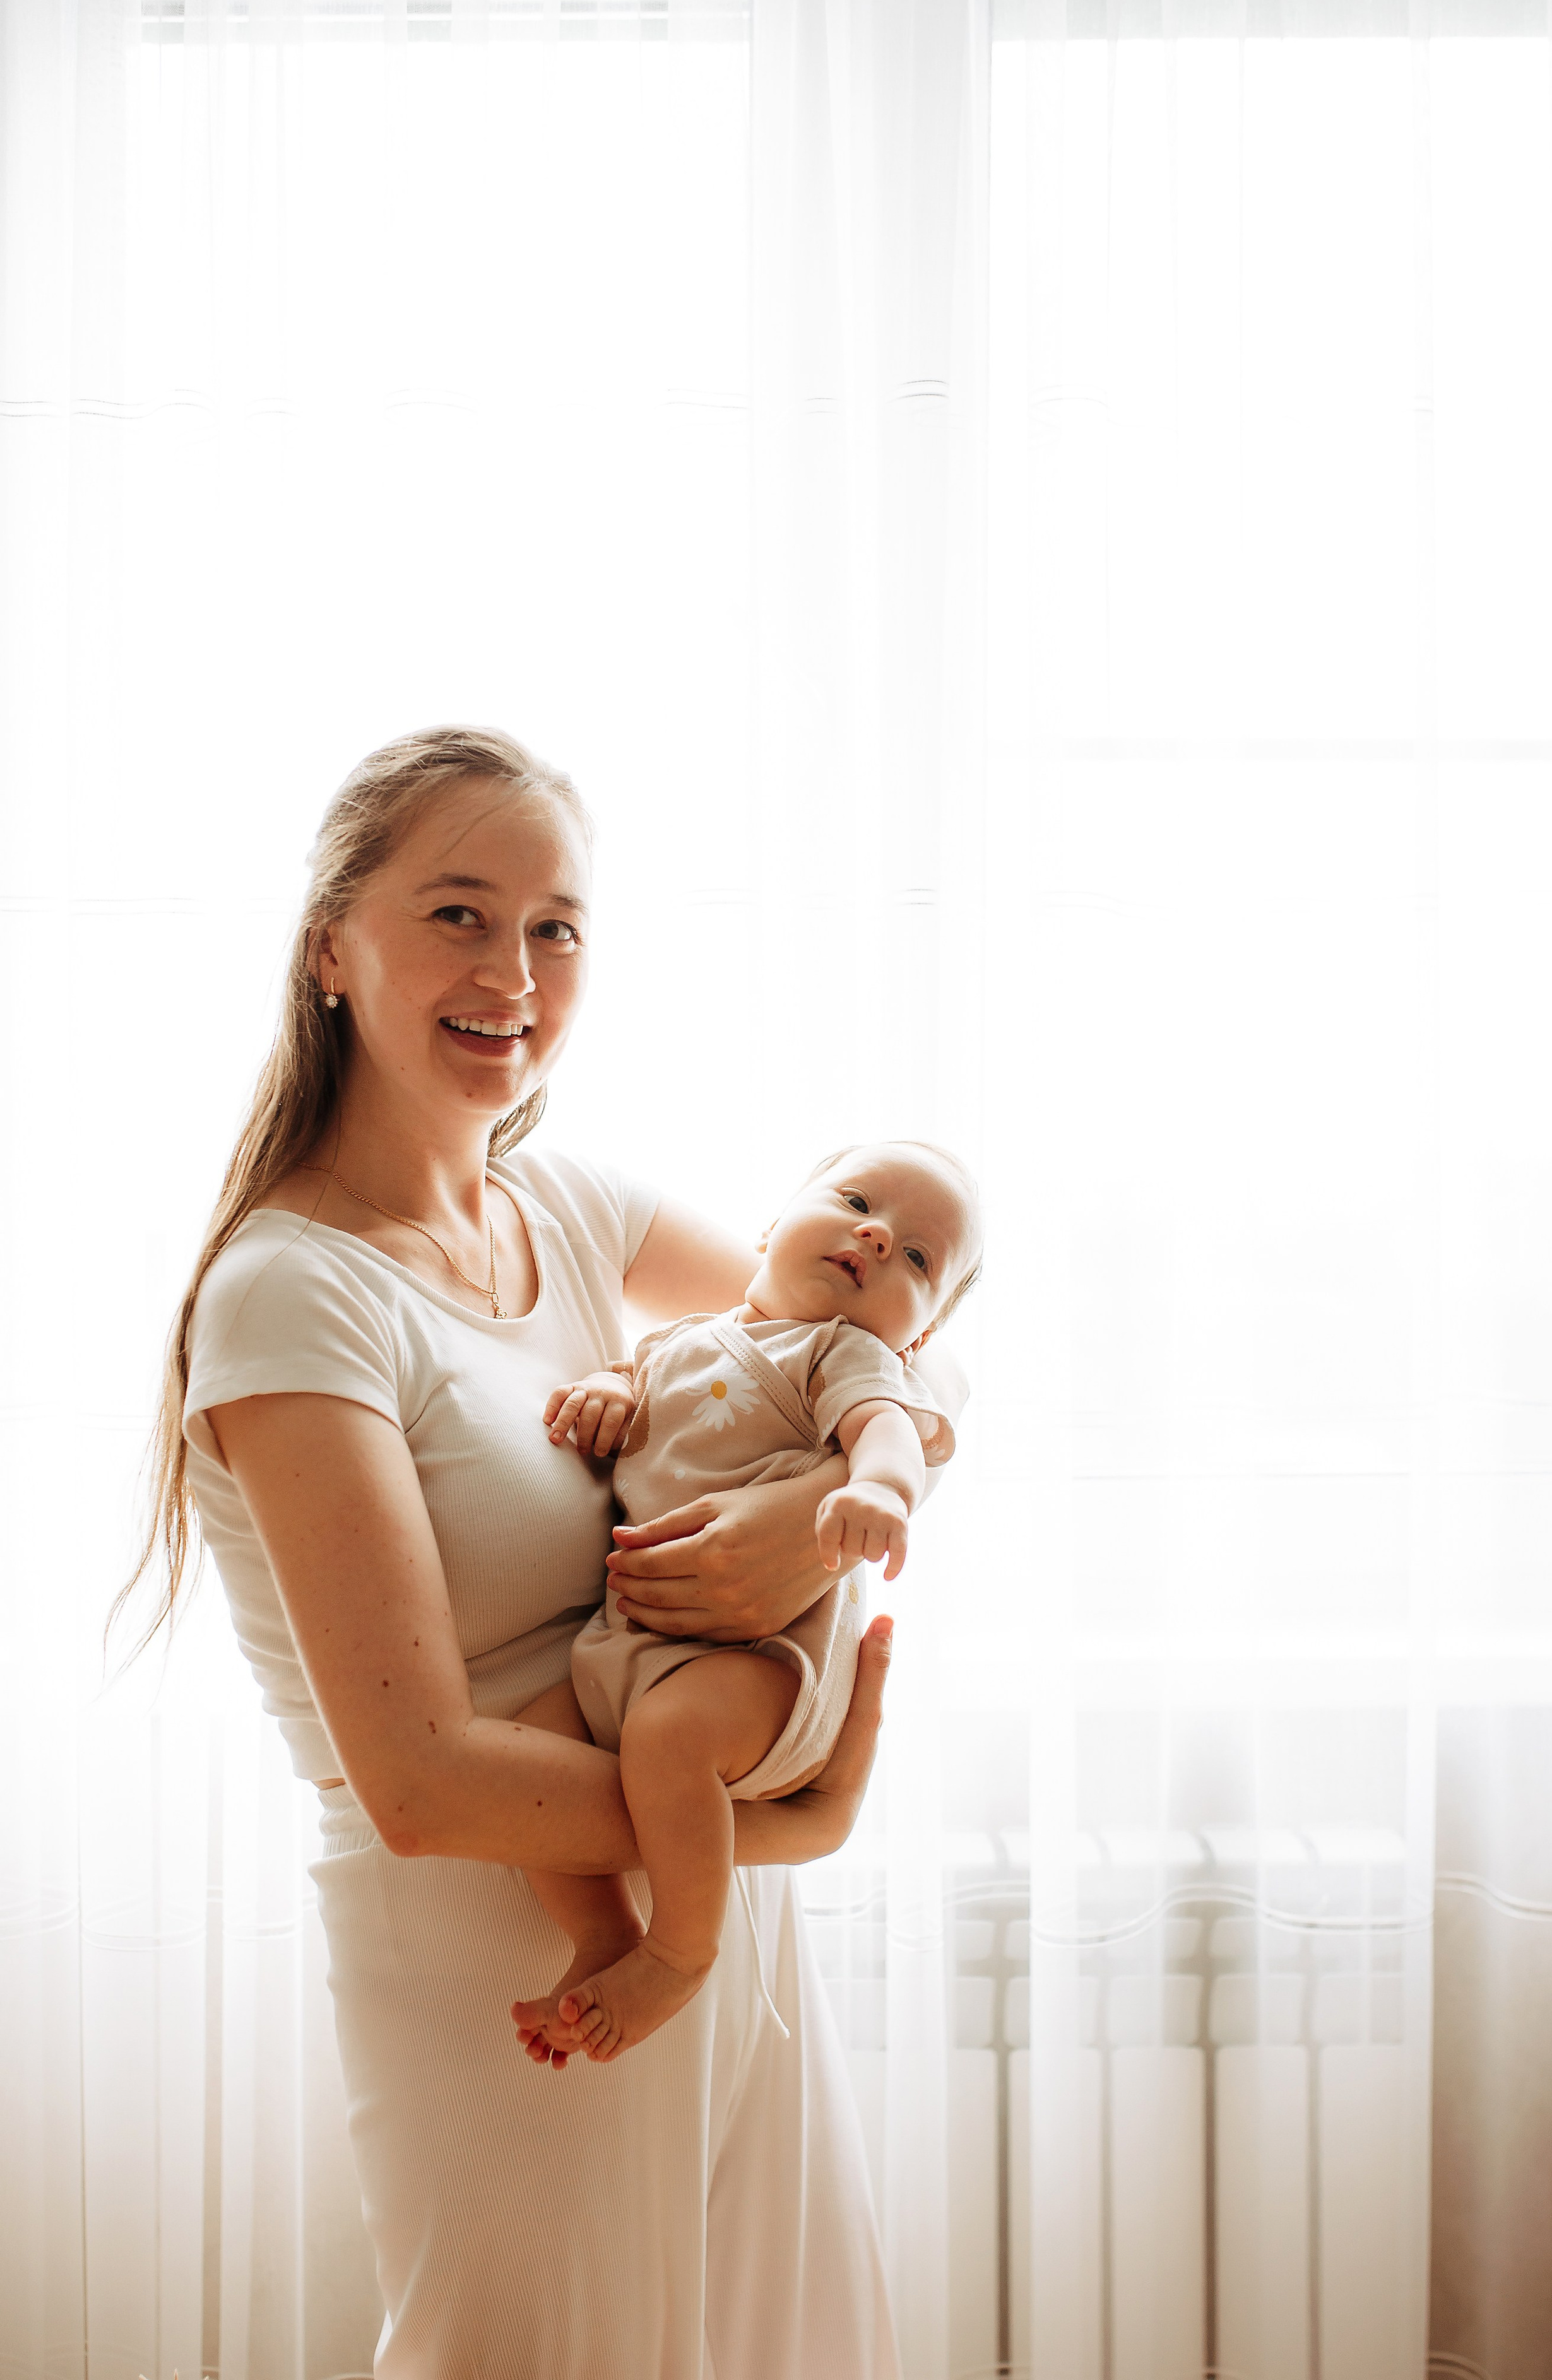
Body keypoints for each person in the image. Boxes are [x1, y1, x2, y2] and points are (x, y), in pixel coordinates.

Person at [109, 724, 966, 2379]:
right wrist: (788, 1819)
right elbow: (420, 1782)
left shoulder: (565, 1206)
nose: (513, 968)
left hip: (702, 1914)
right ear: (330, 947)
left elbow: (907, 1354)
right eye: (457, 912)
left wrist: (803, 1516)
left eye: (555, 925)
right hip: (513, 1958)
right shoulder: (295, 1296)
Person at [513, 1141, 979, 2064]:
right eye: (854, 1201)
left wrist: (881, 1490)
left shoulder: (839, 1355)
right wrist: (608, 1393)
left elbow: (887, 1428)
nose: (878, 1237)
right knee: (533, 1741)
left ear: (916, 1338)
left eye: (919, 1260)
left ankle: (682, 1951)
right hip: (634, 1649)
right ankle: (605, 1935)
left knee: (669, 1739)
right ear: (770, 1225)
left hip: (761, 1670)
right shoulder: (682, 1339)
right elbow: (638, 1385)